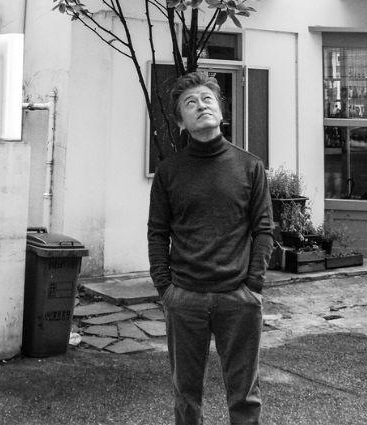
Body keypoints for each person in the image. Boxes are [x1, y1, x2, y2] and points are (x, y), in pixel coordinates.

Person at [147, 71, 274, 425]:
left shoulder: (250, 167)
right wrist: (165, 288)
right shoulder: (169, 172)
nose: (201, 105)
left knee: (245, 396)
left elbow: (264, 230)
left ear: (220, 110)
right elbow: (157, 233)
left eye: (207, 99)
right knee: (186, 396)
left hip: (238, 298)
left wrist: (254, 285)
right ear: (180, 122)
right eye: (191, 103)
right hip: (185, 297)